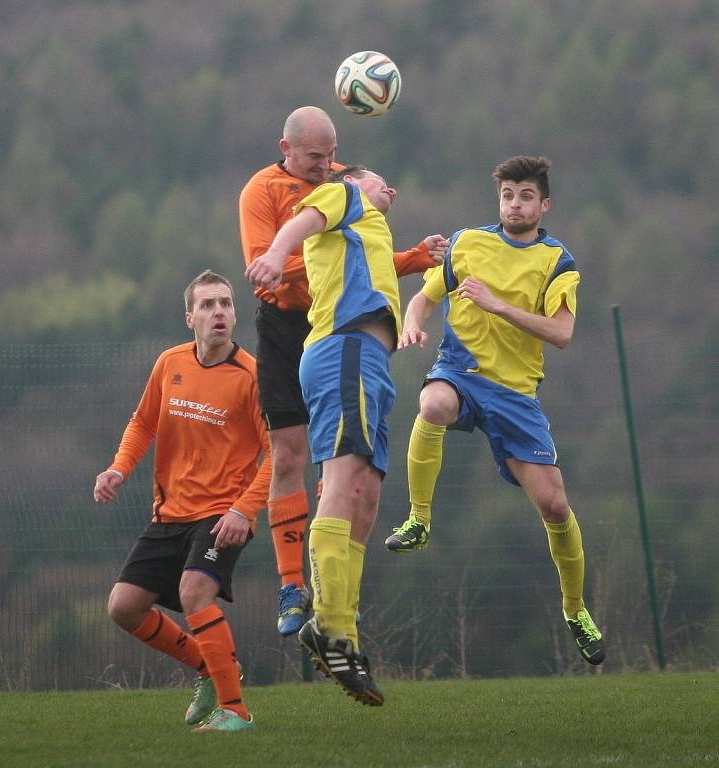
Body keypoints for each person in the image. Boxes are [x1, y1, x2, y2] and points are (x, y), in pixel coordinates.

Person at [387, 156, 606, 666]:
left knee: (554, 506)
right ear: (499, 199)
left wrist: (498, 305)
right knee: (433, 403)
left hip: (516, 396)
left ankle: (575, 611)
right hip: (461, 372)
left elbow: (563, 333)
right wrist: (411, 323)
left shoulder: (557, 261)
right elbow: (423, 299)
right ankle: (419, 519)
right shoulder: (468, 243)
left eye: (525, 195)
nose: (515, 203)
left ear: (544, 204)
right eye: (508, 194)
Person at [239, 105, 448, 636]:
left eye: (333, 156)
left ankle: (337, 595)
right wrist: (320, 235)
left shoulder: (342, 183)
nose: (326, 165)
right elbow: (268, 264)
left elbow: (361, 255)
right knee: (289, 453)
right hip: (291, 327)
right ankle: (293, 587)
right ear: (286, 150)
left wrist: (413, 257)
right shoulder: (261, 191)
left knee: (349, 472)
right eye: (315, 157)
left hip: (335, 326)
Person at [246, 165, 410, 705]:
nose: (392, 189)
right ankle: (330, 628)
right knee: (340, 485)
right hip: (344, 351)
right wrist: (273, 253)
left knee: (365, 498)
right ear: (358, 182)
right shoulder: (342, 194)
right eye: (382, 179)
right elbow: (304, 221)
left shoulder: (364, 229)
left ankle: (343, 635)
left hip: (370, 360)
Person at [93, 270, 271, 733]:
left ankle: (236, 712)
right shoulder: (169, 362)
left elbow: (279, 456)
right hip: (170, 512)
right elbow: (143, 423)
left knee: (195, 593)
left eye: (226, 304)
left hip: (222, 513)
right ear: (189, 316)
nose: (219, 312)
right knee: (123, 607)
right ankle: (207, 671)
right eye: (209, 305)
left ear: (235, 314)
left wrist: (244, 510)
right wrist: (117, 469)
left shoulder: (252, 376)